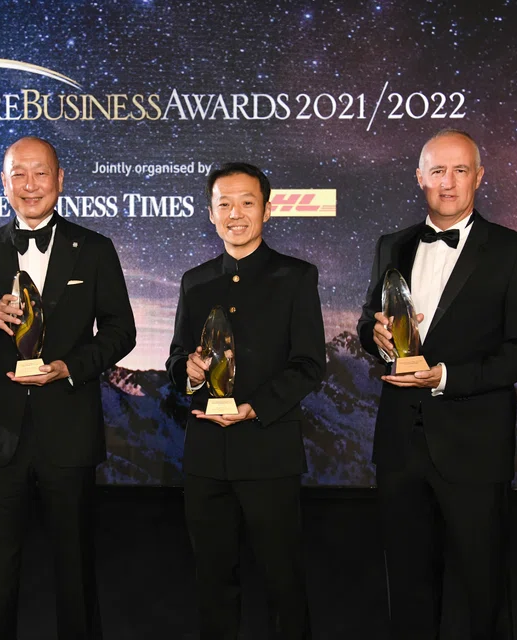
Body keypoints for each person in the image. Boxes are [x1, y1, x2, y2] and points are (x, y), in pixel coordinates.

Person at [356, 129, 517, 639]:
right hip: (400, 446)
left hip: (474, 448)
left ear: (479, 178)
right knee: (409, 589)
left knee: (483, 592)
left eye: (460, 170)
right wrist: (377, 336)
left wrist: (446, 377)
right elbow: (365, 325)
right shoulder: (390, 245)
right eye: (437, 171)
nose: (448, 182)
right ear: (419, 177)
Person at [0, 136, 136, 640]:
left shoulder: (95, 249)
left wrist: (68, 367)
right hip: (0, 433)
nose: (31, 185)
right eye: (19, 175)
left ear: (60, 180)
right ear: (4, 183)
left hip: (67, 430)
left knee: (75, 574)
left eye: (41, 174)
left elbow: (121, 332)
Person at [166, 162, 325, 639]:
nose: (236, 214)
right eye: (224, 204)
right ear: (211, 214)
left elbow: (309, 365)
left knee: (283, 583)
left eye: (247, 203)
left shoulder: (296, 277)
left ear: (268, 210)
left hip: (269, 451)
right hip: (206, 458)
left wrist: (256, 405)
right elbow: (177, 358)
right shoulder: (194, 282)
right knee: (213, 583)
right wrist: (188, 373)